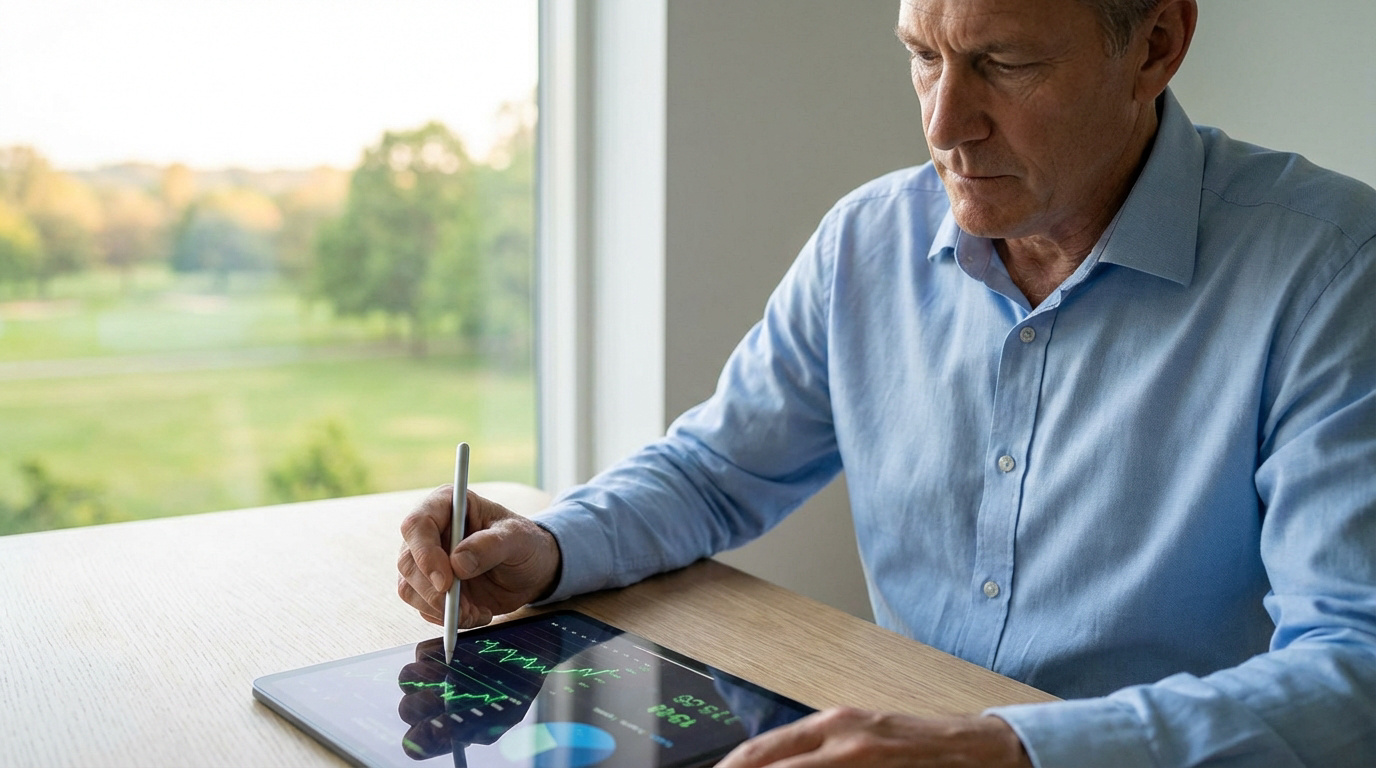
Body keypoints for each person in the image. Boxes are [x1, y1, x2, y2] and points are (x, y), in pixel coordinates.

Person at [397, 0, 1376, 765]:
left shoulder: (1332, 273)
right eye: (922, 55)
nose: (945, 122)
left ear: (1156, 44)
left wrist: (1009, 750)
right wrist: (546, 547)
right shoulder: (865, 240)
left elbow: (1354, 672)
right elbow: (713, 471)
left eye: (1003, 62)